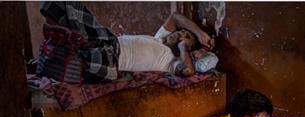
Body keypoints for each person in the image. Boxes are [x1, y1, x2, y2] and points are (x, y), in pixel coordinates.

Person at [39, 2, 215, 81]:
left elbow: (188, 71)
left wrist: (183, 48)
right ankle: (60, 34)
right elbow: (175, 17)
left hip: (112, 59)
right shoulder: (158, 38)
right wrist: (198, 34)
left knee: (65, 61)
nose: (180, 34)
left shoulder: (171, 61)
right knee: (64, 5)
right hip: (108, 40)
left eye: (185, 38)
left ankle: (62, 40)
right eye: (181, 32)